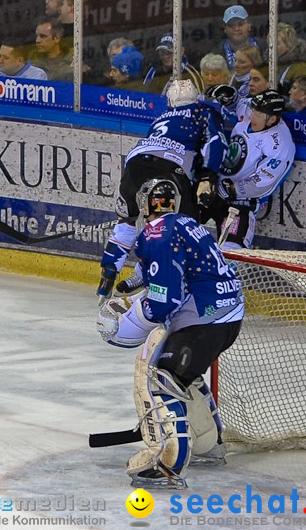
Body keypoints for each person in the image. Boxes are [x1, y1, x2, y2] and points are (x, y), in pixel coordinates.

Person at [96, 178, 243, 488]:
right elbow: (158, 271)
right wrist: (128, 288)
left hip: (204, 319)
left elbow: (165, 301)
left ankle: (167, 464)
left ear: (143, 202)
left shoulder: (157, 234)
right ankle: (209, 445)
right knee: (184, 375)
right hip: (227, 314)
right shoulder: (185, 223)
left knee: (164, 378)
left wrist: (132, 319)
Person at [97, 79, 226, 300]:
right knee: (181, 229)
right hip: (170, 168)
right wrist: (208, 176)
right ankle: (165, 282)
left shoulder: (161, 118)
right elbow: (217, 142)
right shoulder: (203, 112)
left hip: (136, 163)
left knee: (128, 221)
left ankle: (109, 273)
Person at [197, 89, 295, 251]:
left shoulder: (280, 145)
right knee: (177, 224)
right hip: (213, 185)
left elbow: (263, 183)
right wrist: (231, 98)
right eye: (253, 111)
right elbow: (239, 105)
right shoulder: (254, 111)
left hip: (239, 202)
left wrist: (231, 190)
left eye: (257, 114)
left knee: (232, 250)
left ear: (272, 119)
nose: (251, 116)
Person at [215, 4, 259, 70]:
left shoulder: (265, 47)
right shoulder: (216, 53)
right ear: (225, 28)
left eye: (240, 24)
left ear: (249, 25)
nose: (236, 28)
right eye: (231, 25)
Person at [274, 22, 306, 95]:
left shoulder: (300, 69)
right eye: (270, 43)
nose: (272, 47)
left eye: (277, 43)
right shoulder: (274, 67)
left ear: (288, 45)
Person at [30, 17, 72, 82]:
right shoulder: (32, 63)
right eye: (37, 36)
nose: (37, 40)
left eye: (43, 36)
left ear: (57, 38)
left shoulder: (74, 63)